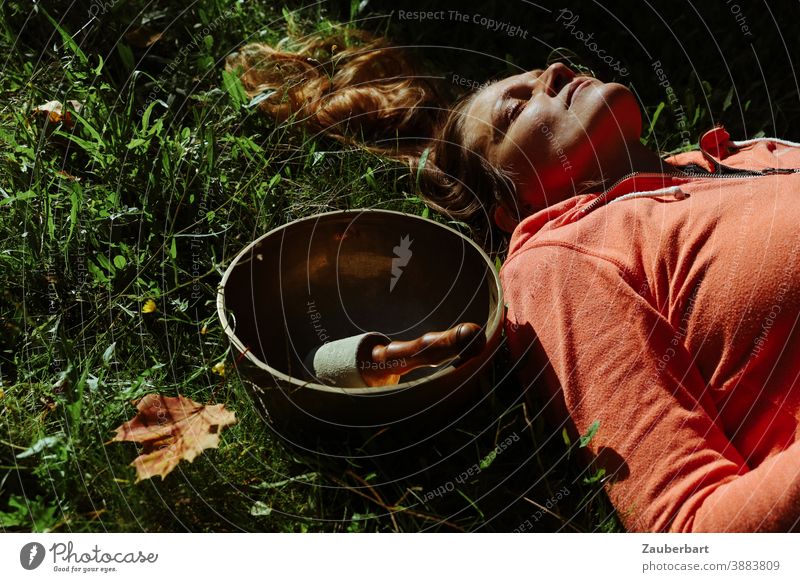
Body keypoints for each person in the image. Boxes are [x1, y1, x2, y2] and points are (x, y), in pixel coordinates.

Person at [227, 31, 800, 532]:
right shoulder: (562, 258)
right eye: (514, 111)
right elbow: (691, 532)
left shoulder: (748, 153)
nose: (556, 71)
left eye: (548, 74)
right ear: (510, 206)